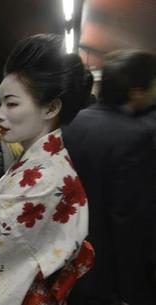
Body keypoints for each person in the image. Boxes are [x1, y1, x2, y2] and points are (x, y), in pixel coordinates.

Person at [0, 34, 93, 305]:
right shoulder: (49, 162)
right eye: (1, 103)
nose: (0, 114)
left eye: (12, 103)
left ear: (51, 107)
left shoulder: (40, 179)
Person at [63, 50, 156, 305]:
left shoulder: (75, 123)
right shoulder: (135, 136)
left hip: (69, 261)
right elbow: (128, 220)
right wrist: (133, 292)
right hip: (105, 277)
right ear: (136, 91)